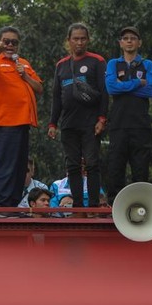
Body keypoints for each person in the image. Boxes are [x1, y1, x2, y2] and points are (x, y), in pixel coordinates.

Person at [48, 22, 109, 215]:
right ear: (69, 41)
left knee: (92, 163)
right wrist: (52, 123)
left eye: (83, 38)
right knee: (72, 164)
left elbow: (104, 92)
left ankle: (93, 206)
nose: (79, 42)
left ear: (88, 40)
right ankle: (78, 208)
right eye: (76, 39)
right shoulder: (61, 65)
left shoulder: (97, 61)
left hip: (91, 123)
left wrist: (102, 119)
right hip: (68, 123)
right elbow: (56, 97)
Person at [0, 26, 43, 208]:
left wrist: (25, 76)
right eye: (6, 41)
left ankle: (12, 206)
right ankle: (1, 206)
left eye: (14, 42)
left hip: (23, 122)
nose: (10, 45)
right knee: (5, 166)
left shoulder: (23, 63)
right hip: (4, 122)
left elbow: (39, 88)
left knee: (19, 168)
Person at [105, 26, 152, 204]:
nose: (129, 41)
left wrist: (124, 87)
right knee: (115, 167)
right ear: (120, 43)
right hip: (118, 124)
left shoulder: (147, 64)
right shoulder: (113, 63)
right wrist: (137, 83)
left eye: (133, 38)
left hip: (140, 124)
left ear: (139, 42)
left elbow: (150, 90)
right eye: (125, 38)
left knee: (141, 169)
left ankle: (141, 206)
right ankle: (114, 207)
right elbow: (111, 88)